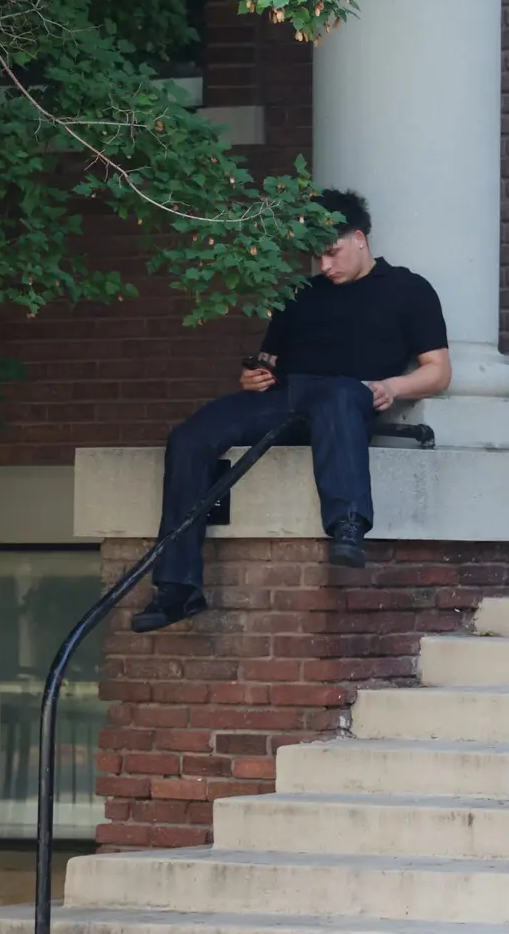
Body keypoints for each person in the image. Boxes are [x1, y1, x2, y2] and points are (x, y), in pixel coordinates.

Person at [130, 189, 451, 633]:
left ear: (359, 238)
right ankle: (178, 587)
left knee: (340, 395)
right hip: (285, 396)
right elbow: (269, 362)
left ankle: (348, 526)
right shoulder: (300, 293)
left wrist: (392, 386)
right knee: (190, 437)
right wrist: (255, 377)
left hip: (346, 396)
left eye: (332, 252)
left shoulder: (408, 290)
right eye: (316, 256)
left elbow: (438, 372)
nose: (324, 266)